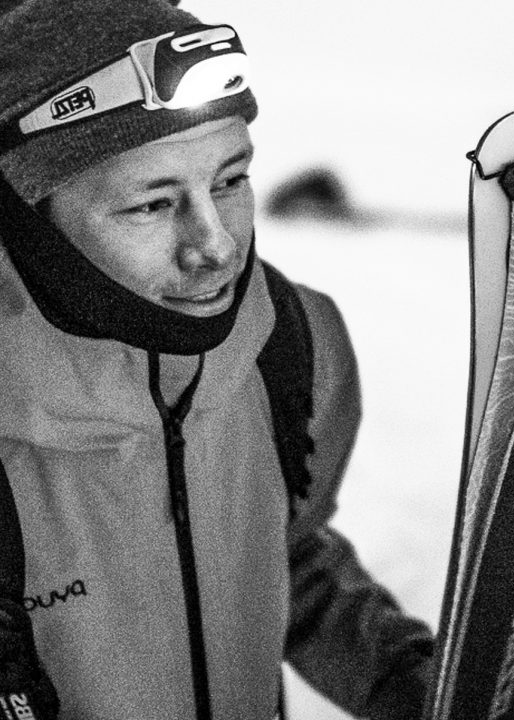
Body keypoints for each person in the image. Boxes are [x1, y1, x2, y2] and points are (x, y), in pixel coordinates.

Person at [0, 0, 435, 718]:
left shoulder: (286, 342)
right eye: (151, 205)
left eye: (230, 181)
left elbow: (282, 554)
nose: (217, 246)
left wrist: (410, 685)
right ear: (28, 220)